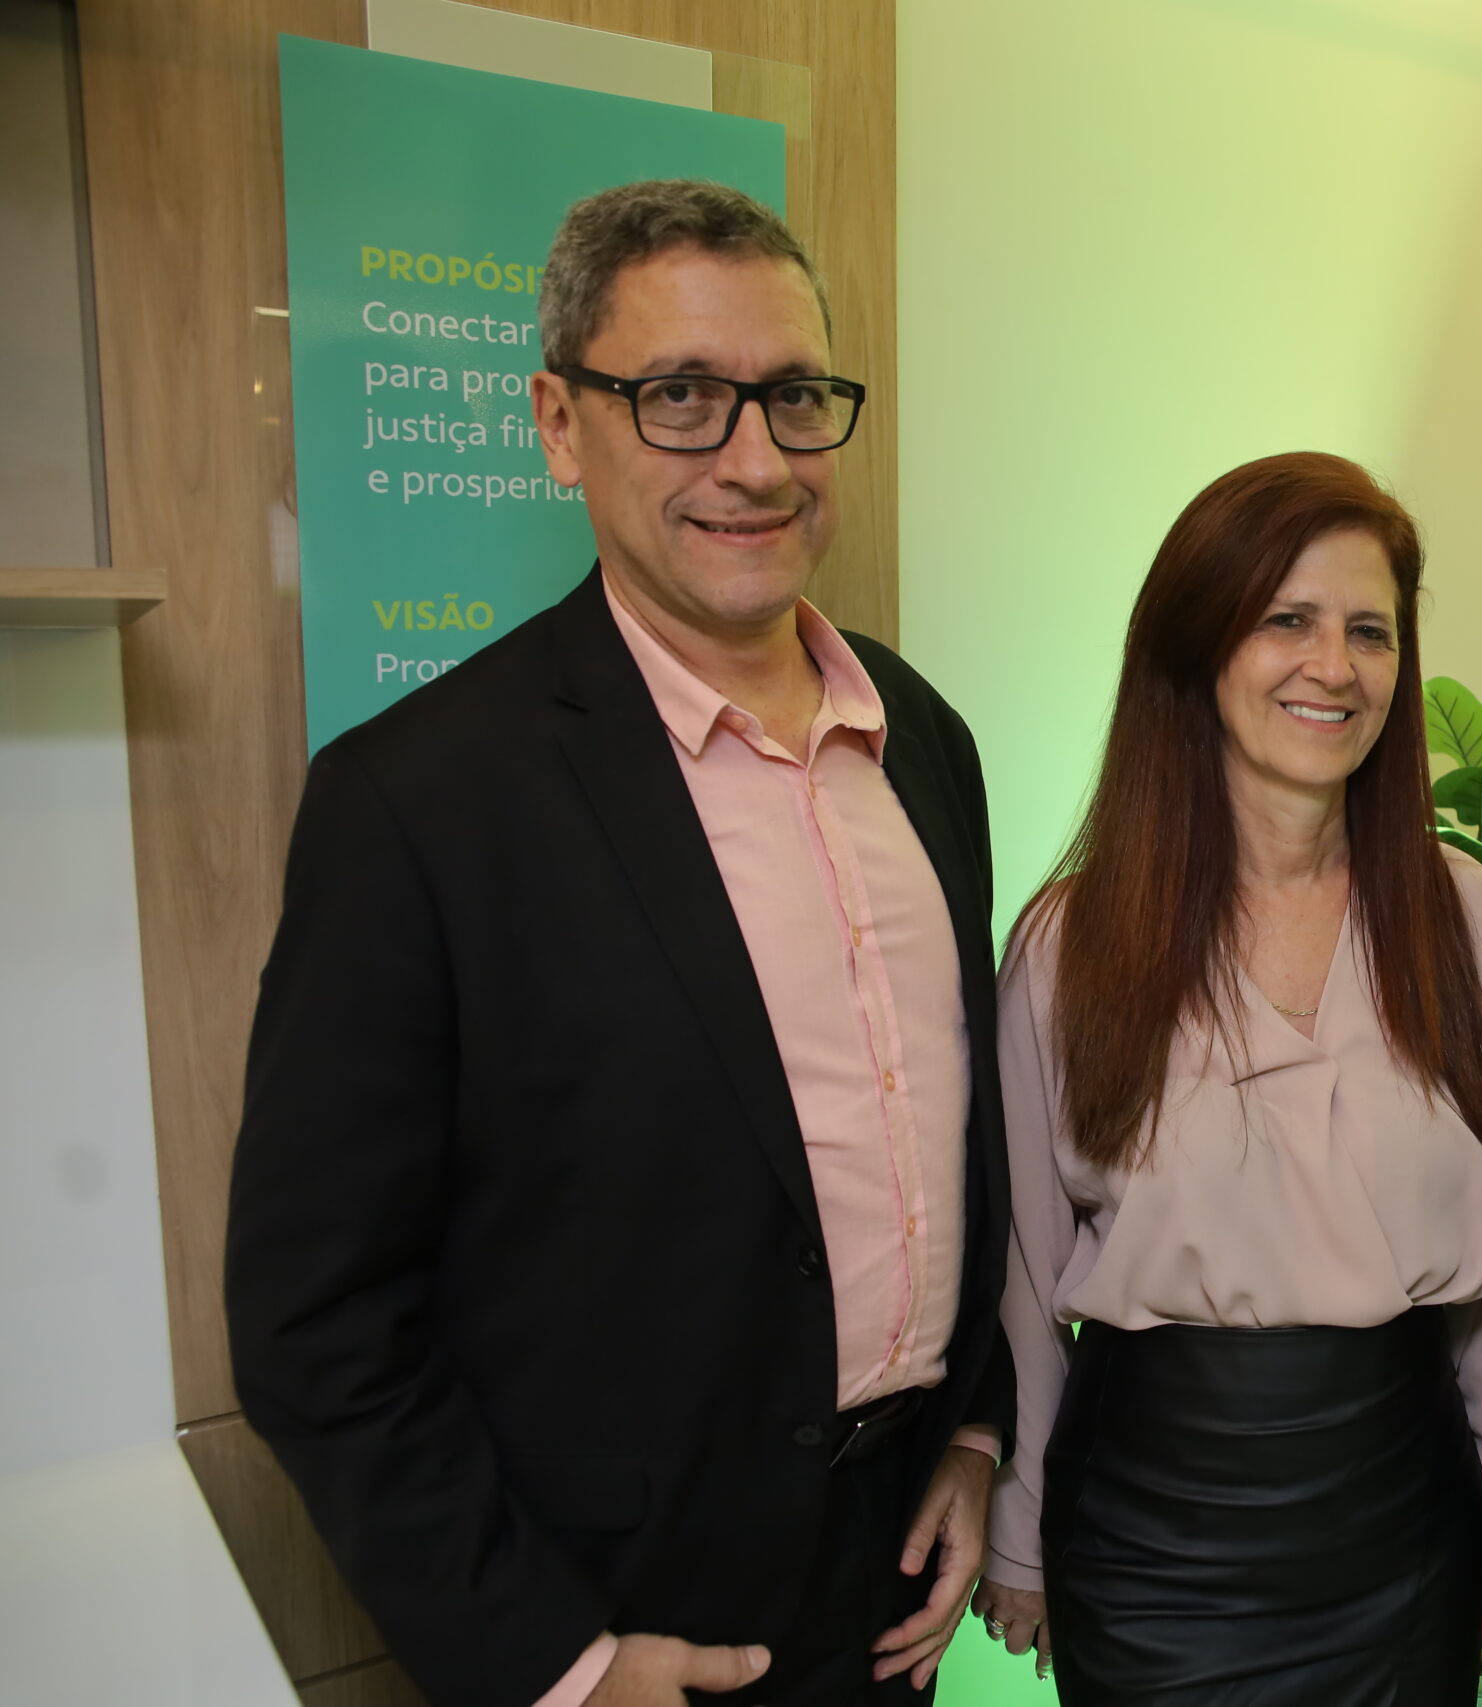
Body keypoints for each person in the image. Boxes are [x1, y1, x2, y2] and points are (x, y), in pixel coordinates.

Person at [226, 181, 1012, 1707]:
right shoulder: (419, 801)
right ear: (559, 425)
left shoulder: (923, 736)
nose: (755, 459)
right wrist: (554, 1661)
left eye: (795, 396)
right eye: (681, 397)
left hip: (891, 1577)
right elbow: (313, 1313)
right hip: (621, 1613)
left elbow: (955, 1139)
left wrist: (977, 1428)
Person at [967, 453, 1482, 1704]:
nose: (1334, 666)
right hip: (1151, 1538)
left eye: (1369, 631)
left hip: (1403, 1520)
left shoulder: (1463, 913)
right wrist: (1018, 1524)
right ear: (1197, 644)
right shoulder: (1070, 941)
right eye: (1287, 619)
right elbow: (1024, 1276)